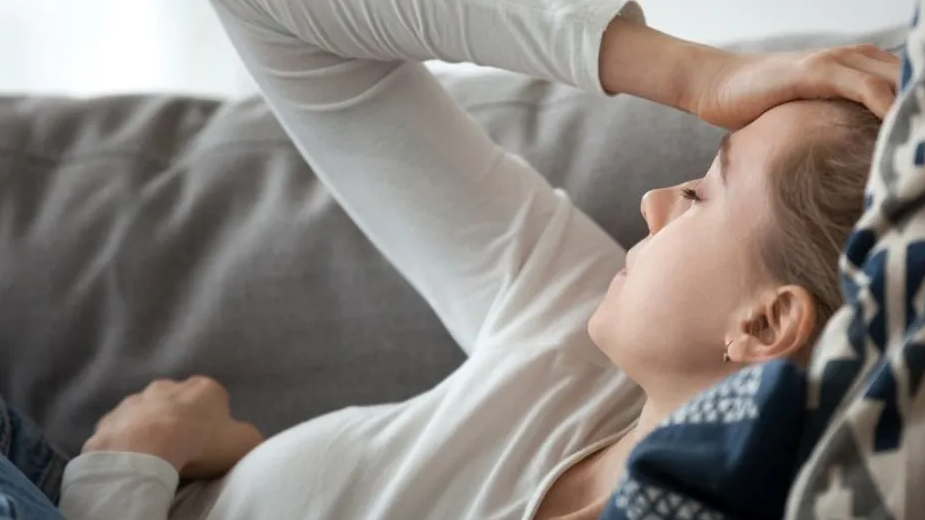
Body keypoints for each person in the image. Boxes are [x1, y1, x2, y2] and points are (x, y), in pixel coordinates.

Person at [0, 0, 904, 519]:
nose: (651, 202)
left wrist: (125, 468)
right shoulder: (563, 336)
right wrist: (685, 72)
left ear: (764, 322)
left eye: (702, 193)